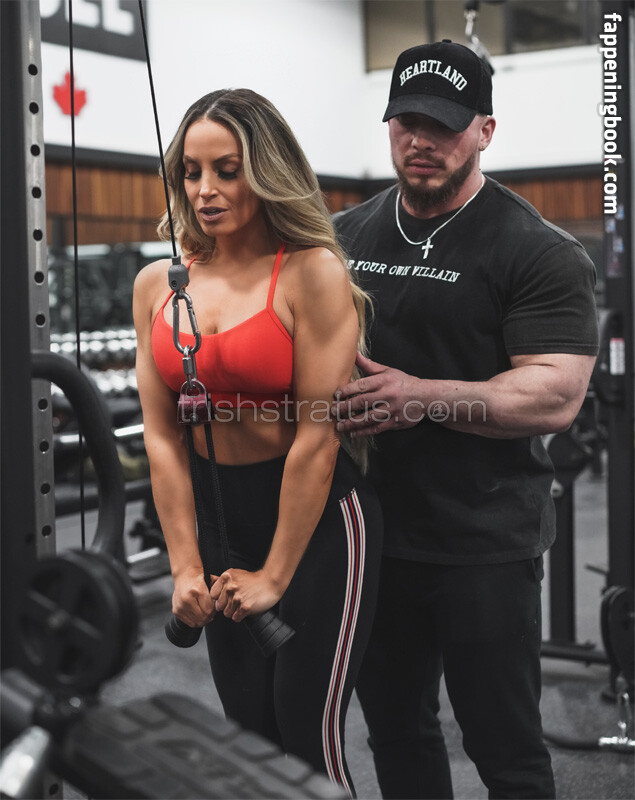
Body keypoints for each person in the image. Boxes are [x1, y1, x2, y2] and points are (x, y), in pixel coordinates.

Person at [331, 40, 599, 799]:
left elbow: (553, 395)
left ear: (484, 130)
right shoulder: (343, 238)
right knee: (396, 733)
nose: (421, 140)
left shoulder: (535, 249)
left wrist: (420, 397)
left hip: (482, 542)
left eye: (443, 125)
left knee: (503, 750)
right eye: (407, 121)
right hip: (371, 535)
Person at [133, 88, 382, 795]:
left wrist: (273, 575)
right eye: (191, 172)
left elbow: (317, 438)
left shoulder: (311, 272)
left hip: (317, 525)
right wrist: (185, 565)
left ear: (266, 171)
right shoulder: (157, 284)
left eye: (227, 170)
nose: (204, 190)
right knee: (248, 740)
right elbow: (163, 438)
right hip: (219, 517)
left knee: (308, 743)